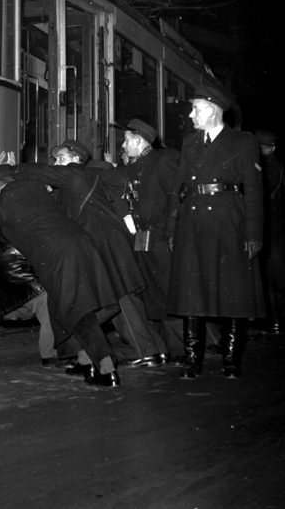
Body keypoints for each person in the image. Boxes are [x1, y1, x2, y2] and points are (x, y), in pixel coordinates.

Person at [0, 164, 123, 387]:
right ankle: (87, 363)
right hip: (84, 246)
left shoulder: (1, 202)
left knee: (77, 312)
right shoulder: (36, 189)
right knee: (63, 309)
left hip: (58, 258)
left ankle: (107, 369)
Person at [11, 140, 168, 369]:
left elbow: (41, 172)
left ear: (76, 159)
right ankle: (153, 350)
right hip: (105, 244)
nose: (57, 164)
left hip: (107, 244)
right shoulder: (73, 184)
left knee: (120, 298)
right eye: (55, 160)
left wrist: (10, 169)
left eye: (61, 158)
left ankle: (146, 351)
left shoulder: (76, 174)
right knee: (119, 298)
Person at [167, 84, 264, 379]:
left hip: (228, 222)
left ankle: (231, 359)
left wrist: (253, 234)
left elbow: (254, 191)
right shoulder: (190, 143)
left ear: (212, 110)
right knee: (191, 293)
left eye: (196, 108)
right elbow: (179, 187)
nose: (191, 114)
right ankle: (192, 360)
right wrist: (173, 226)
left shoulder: (242, 142)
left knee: (233, 293)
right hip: (193, 221)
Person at [101, 119, 183, 362]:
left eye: (126, 140)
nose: (124, 146)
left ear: (138, 140)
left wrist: (171, 233)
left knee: (167, 291)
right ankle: (166, 348)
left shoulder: (164, 160)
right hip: (143, 236)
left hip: (160, 236)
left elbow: (177, 197)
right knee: (152, 293)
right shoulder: (138, 165)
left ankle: (182, 349)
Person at [0, 221, 57, 368]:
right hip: (22, 276)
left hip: (8, 279)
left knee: (42, 304)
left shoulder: (4, 220)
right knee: (47, 304)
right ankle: (50, 354)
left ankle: (51, 353)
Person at [255, 130, 284, 334]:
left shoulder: (268, 168)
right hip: (277, 227)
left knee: (273, 277)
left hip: (271, 228)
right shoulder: (276, 165)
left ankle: (276, 322)